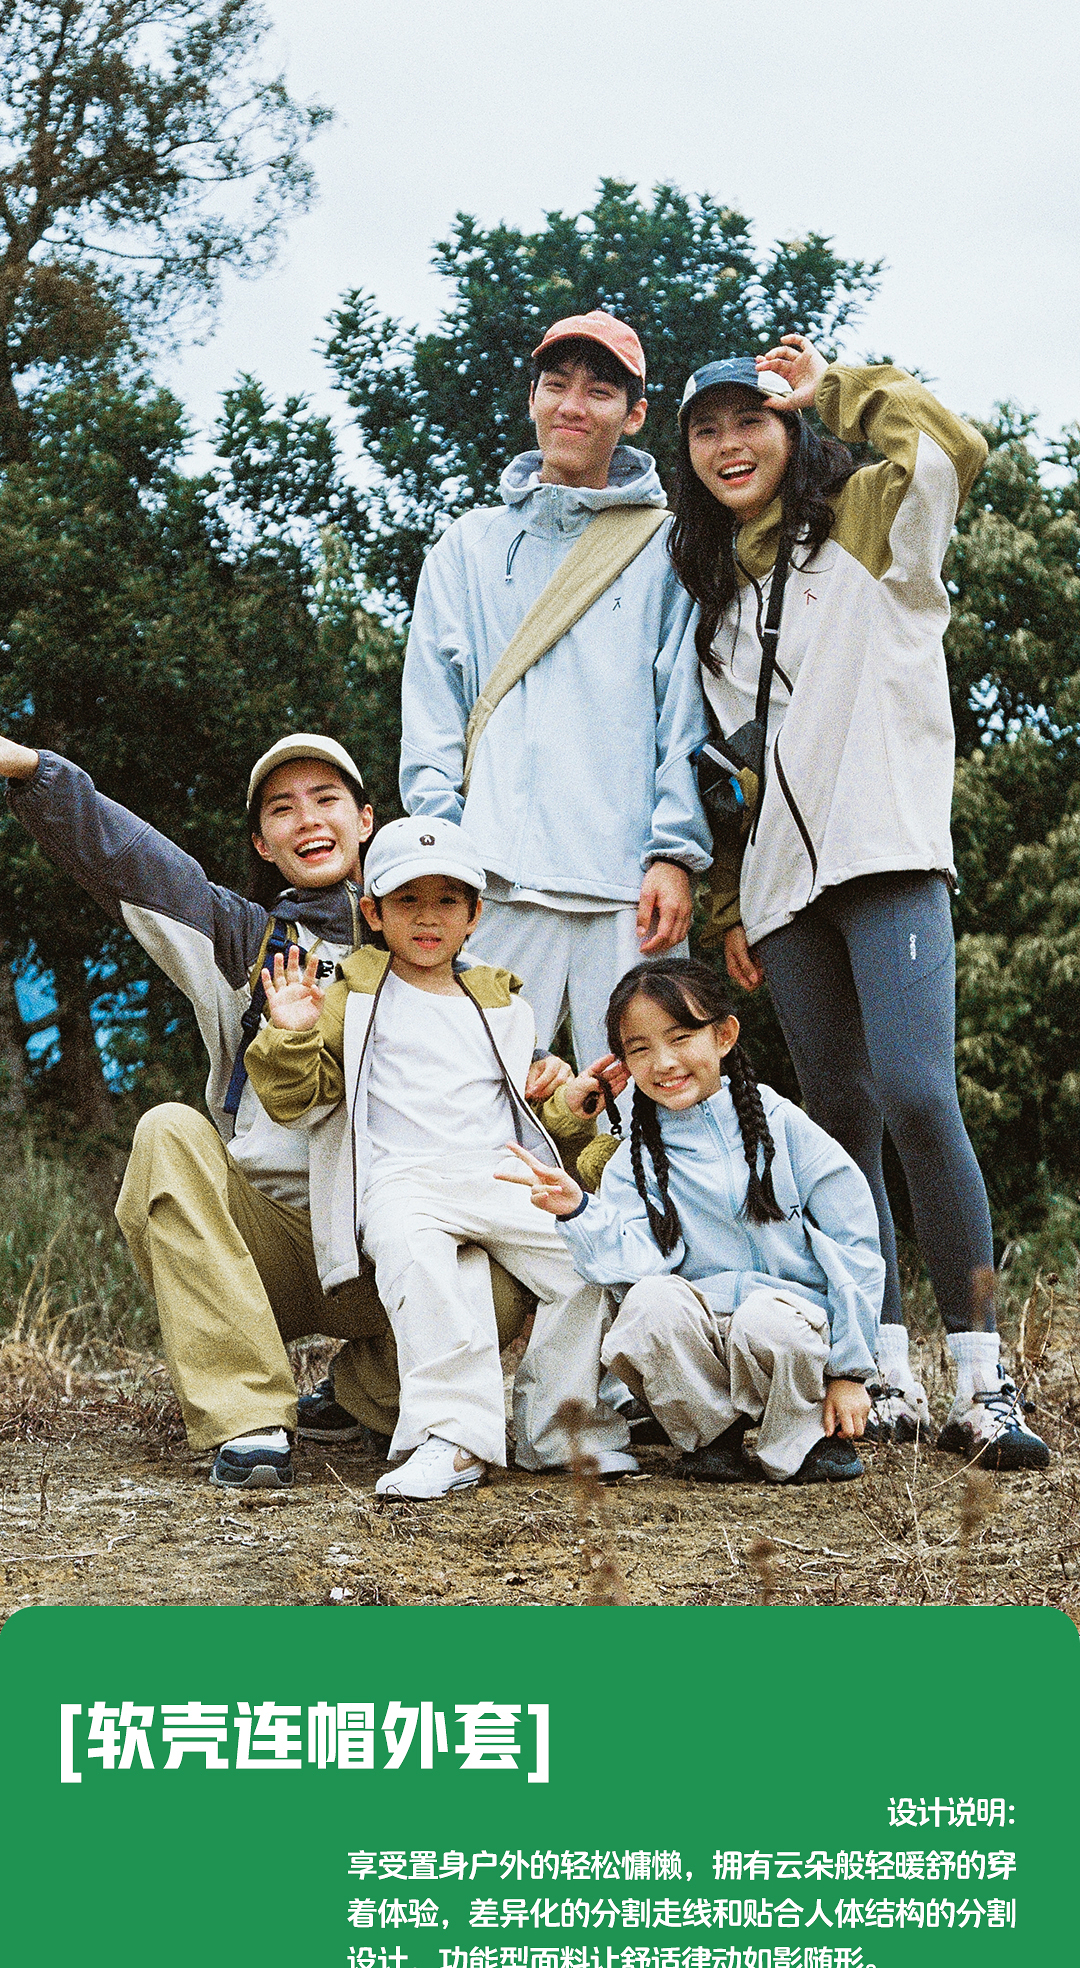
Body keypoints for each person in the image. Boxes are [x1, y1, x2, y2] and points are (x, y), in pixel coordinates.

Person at [668, 336, 1049, 1469]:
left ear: (792, 430)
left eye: (752, 420)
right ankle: (883, 1367)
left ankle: (981, 1379)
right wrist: (732, 903)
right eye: (706, 430)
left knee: (920, 1095)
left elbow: (951, 446)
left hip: (887, 856)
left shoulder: (874, 525)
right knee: (840, 1124)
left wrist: (832, 383)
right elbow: (736, 773)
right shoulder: (716, 606)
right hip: (784, 896)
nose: (731, 445)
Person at [1, 732, 554, 1487]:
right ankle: (250, 1417)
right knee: (167, 1131)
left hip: (400, 1237)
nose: (309, 819)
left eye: (326, 799)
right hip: (271, 1236)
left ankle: (362, 1395)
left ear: (366, 820)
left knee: (501, 1279)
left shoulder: (454, 956)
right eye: (282, 809)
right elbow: (131, 860)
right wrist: (34, 771)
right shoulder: (247, 939)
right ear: (263, 843)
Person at [245, 814, 637, 1499]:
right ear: (373, 912)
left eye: (448, 900)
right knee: (422, 1267)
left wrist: (566, 1103)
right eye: (407, 900)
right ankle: (454, 1441)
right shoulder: (351, 995)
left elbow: (524, 1101)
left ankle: (561, 1431)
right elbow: (296, 1099)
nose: (428, 917)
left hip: (499, 1174)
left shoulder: (502, 999)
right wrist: (292, 1033)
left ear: (475, 914)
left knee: (586, 1261)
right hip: (402, 1182)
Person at [398, 308, 712, 1076]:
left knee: (653, 1110)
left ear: (633, 415)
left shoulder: (670, 548)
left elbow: (685, 717)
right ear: (532, 397)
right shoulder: (466, 546)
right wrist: (447, 861)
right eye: (557, 385)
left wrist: (675, 854)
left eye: (599, 391)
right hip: (495, 882)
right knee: (476, 1101)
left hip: (631, 893)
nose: (574, 406)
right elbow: (431, 719)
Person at [503, 958, 884, 1486]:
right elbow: (633, 1265)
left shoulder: (784, 1126)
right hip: (704, 1335)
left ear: (724, 1036)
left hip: (792, 1334)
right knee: (648, 1303)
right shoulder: (635, 1159)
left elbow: (854, 1244)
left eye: (680, 1038)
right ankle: (710, 1436)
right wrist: (580, 1210)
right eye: (640, 1049)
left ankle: (801, 1438)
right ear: (623, 1063)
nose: (663, 1063)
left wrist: (850, 1371)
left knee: (765, 1319)